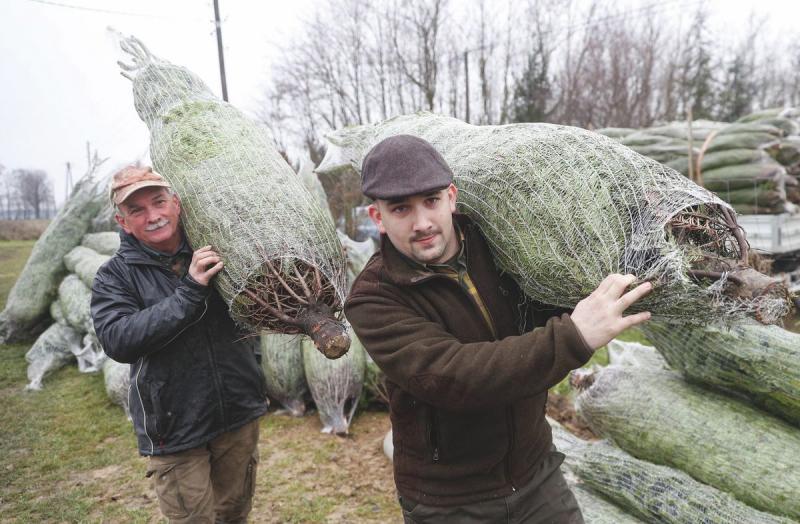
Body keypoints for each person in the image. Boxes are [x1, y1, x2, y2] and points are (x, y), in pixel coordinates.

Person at [344, 135, 653, 524]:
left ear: (452, 197)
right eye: (401, 208)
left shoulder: (501, 244)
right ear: (378, 218)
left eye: (431, 201)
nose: (422, 222)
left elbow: (546, 295)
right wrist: (574, 336)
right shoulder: (373, 298)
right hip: (450, 500)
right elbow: (453, 376)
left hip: (536, 474)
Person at [91, 166, 268, 523]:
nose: (153, 216)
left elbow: (255, 310)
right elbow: (118, 339)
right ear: (122, 222)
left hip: (237, 414)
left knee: (234, 515)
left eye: (158, 202)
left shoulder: (221, 250)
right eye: (137, 210)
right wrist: (189, 291)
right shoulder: (115, 276)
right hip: (174, 430)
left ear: (177, 203)